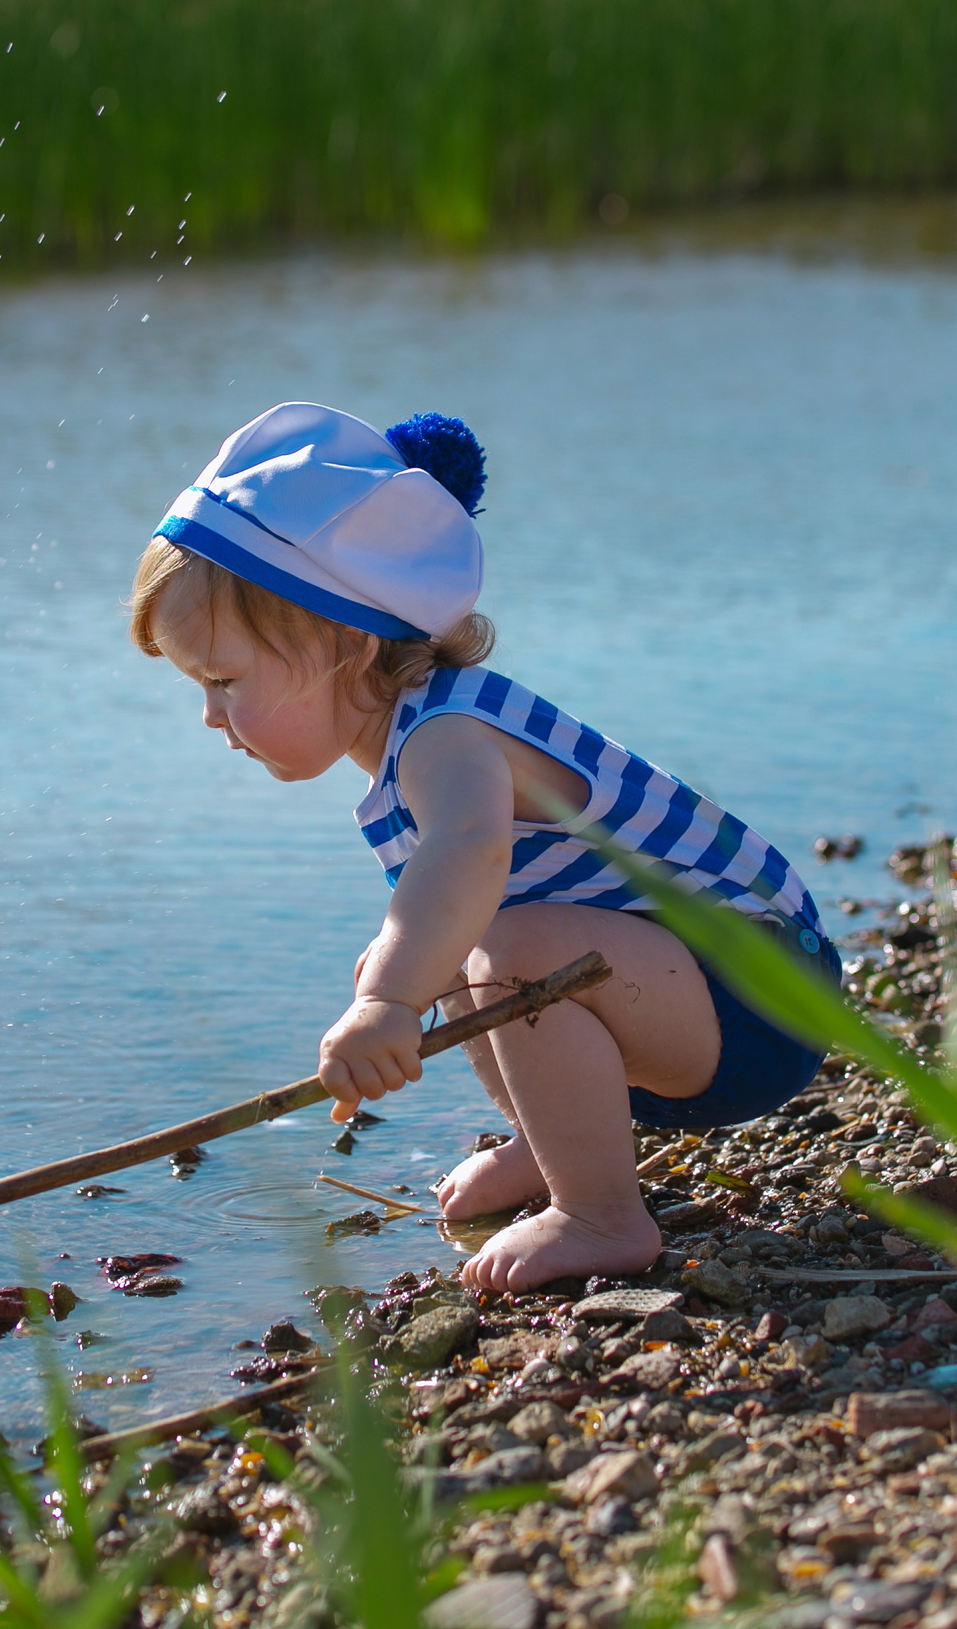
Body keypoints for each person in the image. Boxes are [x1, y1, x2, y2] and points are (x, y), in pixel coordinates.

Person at [128, 402, 836, 1292]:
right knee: (450, 945)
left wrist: (391, 998)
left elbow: (468, 854)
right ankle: (556, 1144)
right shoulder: (411, 737)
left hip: (763, 996)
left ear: (344, 638)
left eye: (225, 680)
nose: (210, 715)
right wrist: (391, 974)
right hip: (682, 999)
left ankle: (601, 1214)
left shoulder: (448, 735)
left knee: (488, 947)